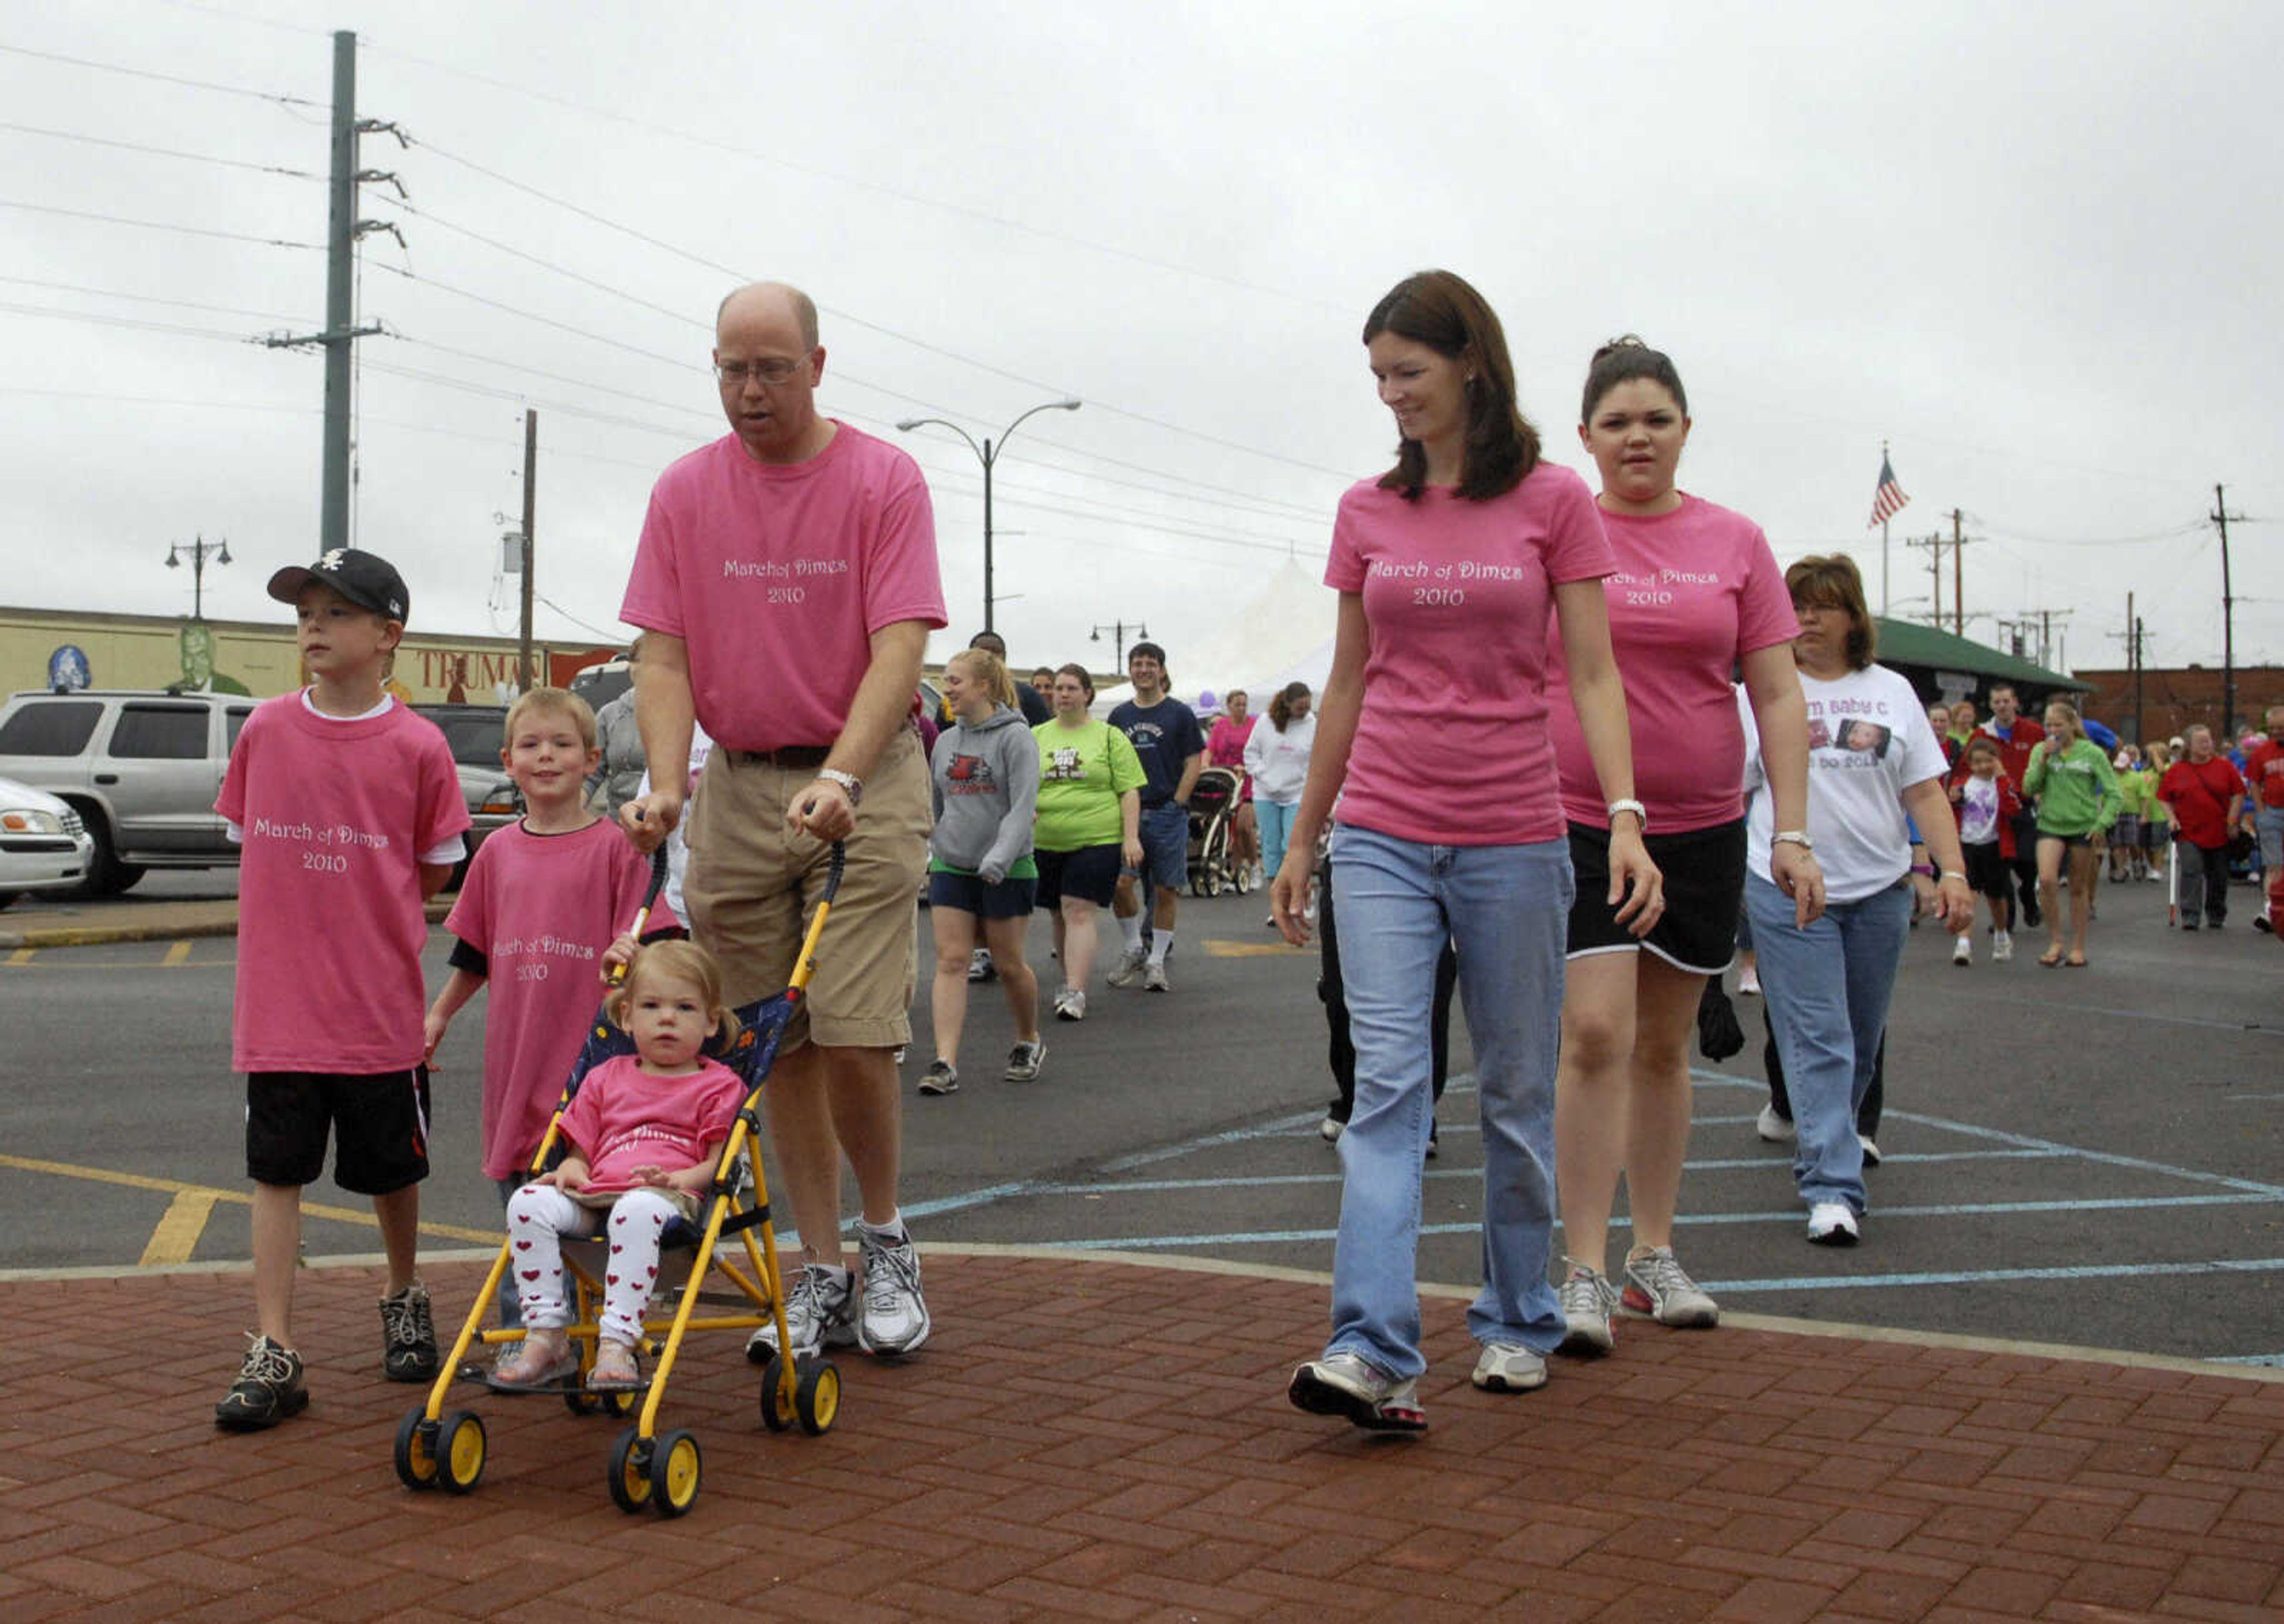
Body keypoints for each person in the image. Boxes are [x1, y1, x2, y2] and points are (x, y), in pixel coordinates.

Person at [1275, 270, 1661, 1433]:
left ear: (1471, 366)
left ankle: (1515, 1315)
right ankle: (1373, 1344)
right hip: (1384, 831)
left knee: (1512, 1091)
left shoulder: (1551, 499)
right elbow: (1347, 679)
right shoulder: (1366, 509)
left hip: (1512, 835)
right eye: (1379, 377)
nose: (1392, 395)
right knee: (1388, 1087)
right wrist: (1306, 836)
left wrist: (1628, 815)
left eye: (1410, 373)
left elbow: (1593, 671)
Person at [617, 280, 946, 1364]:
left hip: (864, 778)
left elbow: (901, 642)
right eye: (729, 368)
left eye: (769, 368)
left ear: (817, 364)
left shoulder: (882, 479)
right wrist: (669, 782)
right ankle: (821, 1269)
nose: (749, 390)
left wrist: (847, 775)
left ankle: (886, 1235)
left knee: (854, 1028)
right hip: (741, 788)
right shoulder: (684, 492)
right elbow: (661, 653)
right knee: (775, 1045)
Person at [1546, 335, 1818, 1358]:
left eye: (1657, 419)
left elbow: (1780, 690)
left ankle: (1650, 1255)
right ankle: (1580, 1265)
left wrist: (1789, 830)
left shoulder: (1736, 541)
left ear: (1686, 430)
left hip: (1705, 825)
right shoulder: (1562, 535)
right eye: (1616, 422)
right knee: (1596, 1037)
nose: (1638, 438)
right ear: (1585, 437)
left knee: (1664, 1046)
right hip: (1576, 819)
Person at [212, 548, 471, 1431]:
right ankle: (275, 1345)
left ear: (387, 634)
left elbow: (435, 866)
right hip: (280, 1011)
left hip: (377, 1012)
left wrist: (366, 912)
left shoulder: (419, 745)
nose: (313, 626)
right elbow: (252, 837)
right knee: (274, 1174)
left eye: (336, 612)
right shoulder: (267, 730)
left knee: (390, 1170)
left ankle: (404, 1294)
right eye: (305, 613)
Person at [423, 686, 679, 1331]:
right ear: (508, 761)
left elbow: (662, 948)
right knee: (519, 1190)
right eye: (531, 745)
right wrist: (439, 1015)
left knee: (586, 1189)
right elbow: (475, 952)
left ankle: (605, 1324)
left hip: (594, 1067)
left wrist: (635, 954)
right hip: (518, 1058)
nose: (546, 757)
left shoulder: (620, 849)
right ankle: (531, 1329)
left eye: (563, 744)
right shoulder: (498, 852)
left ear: (592, 758)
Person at [1742, 555, 1972, 1247]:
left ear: (1853, 616)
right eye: (1797, 605)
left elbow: (1925, 790)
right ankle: (1832, 1187)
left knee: (1861, 1038)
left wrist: (1953, 872)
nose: (1807, 618)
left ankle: (1827, 1132)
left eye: (1822, 605)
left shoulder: (1892, 690)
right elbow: (1731, 792)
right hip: (1787, 887)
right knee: (1821, 1038)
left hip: (1878, 888)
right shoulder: (1759, 690)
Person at [490, 941, 750, 1389]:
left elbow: (717, 1163)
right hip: (596, 1193)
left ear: (711, 1021)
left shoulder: (717, 1085)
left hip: (665, 1199)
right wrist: (573, 1164)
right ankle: (547, 1330)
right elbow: (583, 1148)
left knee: (636, 1208)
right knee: (527, 1201)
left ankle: (617, 1342)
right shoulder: (604, 1077)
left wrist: (678, 1178)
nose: (666, 1017)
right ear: (627, 1017)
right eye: (651, 1006)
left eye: (684, 1007)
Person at [921, 647, 1044, 1093]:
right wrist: (931, 846)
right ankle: (944, 1062)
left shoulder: (1016, 738)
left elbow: (1022, 808)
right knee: (952, 960)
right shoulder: (946, 742)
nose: (948, 688)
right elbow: (938, 803)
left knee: (1009, 964)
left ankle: (1028, 1038)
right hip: (953, 864)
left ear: (985, 687)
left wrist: (998, 858)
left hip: (1007, 867)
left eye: (955, 680)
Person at [1032, 663, 1145, 1021]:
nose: (1063, 694)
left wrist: (1131, 837)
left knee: (1078, 908)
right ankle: (1068, 980)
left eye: (1071, 688)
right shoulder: (1035, 736)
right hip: (1046, 838)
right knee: (1058, 912)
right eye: (1058, 689)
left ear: (1087, 694)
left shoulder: (1109, 737)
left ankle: (1076, 991)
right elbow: (1021, 785)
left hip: (1097, 837)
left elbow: (1129, 790)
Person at [1107, 642, 1205, 992]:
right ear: (1130, 670)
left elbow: (1195, 759)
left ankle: (1157, 961)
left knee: (1166, 889)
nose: (1144, 669)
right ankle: (1134, 946)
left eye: (1151, 664)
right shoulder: (1119, 717)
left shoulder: (1179, 714)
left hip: (1166, 812)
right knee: (1121, 884)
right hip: (1129, 814)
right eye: (1138, 664)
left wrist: (1178, 801)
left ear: (1162, 670)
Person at [2022, 701, 2119, 968]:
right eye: (2049, 725)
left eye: (2059, 725)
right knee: (2047, 880)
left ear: (2072, 725)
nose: (2053, 730)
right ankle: (2055, 941)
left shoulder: (2092, 753)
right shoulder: (2041, 750)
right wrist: (2042, 760)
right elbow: (2029, 788)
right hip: (2051, 823)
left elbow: (2113, 792)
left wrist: (2102, 823)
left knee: (2078, 888)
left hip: (2082, 825)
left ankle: (2078, 946)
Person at [1946, 733, 2023, 966]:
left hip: (1994, 846)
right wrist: (1955, 799)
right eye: (1977, 762)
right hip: (1969, 845)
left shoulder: (2003, 784)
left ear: (1996, 761)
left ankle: (2001, 934)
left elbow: (2014, 808)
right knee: (1968, 895)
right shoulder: (1964, 785)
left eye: (1987, 761)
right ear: (1970, 764)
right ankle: (1963, 943)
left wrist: (2001, 779)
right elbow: (1952, 809)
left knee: (1995, 897)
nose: (1983, 766)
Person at [2157, 724, 2244, 930]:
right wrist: (2171, 818)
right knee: (2191, 870)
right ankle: (2190, 914)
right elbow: (2163, 797)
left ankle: (2216, 912)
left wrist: (2232, 821)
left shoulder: (2225, 767)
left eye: (2209, 740)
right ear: (2189, 745)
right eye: (2201, 742)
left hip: (2219, 830)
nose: (2207, 745)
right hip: (2188, 830)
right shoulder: (2178, 770)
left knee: (2218, 875)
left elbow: (2239, 793)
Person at [1244, 681, 1318, 922]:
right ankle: (1280, 905)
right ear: (1286, 704)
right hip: (1267, 793)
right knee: (1271, 848)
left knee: (1293, 847)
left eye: (1307, 707)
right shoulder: (1266, 722)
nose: (1304, 712)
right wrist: (1262, 774)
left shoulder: (1312, 724)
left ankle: (1303, 897)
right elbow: (1251, 753)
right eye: (1299, 708)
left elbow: (1317, 757)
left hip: (1297, 793)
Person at [1977, 685, 2047, 929]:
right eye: (1997, 702)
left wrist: (2042, 791)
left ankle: (2028, 895)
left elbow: (2046, 764)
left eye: (2006, 701)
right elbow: (1968, 766)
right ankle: (2006, 918)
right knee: (1999, 864)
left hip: (2025, 803)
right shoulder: (1983, 734)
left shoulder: (2034, 732)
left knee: (2028, 861)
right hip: (1995, 806)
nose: (2002, 706)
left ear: (2015, 703)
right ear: (1991, 705)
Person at [1206, 687, 1262, 885]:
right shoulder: (1221, 726)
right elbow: (1210, 750)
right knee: (1229, 830)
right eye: (1237, 704)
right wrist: (1205, 766)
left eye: (1244, 704)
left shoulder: (1255, 725)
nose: (1242, 708)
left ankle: (1254, 867)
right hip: (1225, 781)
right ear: (1229, 706)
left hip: (1248, 783)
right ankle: (1234, 870)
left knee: (1244, 827)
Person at [589, 642, 648, 819]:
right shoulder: (610, 714)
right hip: (621, 823)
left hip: (673, 827)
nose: (645, 667)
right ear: (629, 666)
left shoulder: (688, 714)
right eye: (638, 660)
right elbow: (591, 773)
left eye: (654, 661)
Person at [2238, 705, 2284, 927]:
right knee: (2274, 865)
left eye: (2281, 728)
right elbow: (2254, 782)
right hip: (2272, 812)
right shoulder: (2263, 752)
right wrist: (2261, 811)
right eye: (2273, 728)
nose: (2276, 733)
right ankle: (2271, 909)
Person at [2142, 740, 2173, 884]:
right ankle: (2152, 866)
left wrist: (2155, 753)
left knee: (2158, 843)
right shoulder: (2146, 771)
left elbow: (2162, 771)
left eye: (2153, 754)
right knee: (2145, 843)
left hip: (2161, 812)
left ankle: (2157, 870)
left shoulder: (2168, 767)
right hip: (2146, 812)